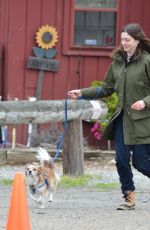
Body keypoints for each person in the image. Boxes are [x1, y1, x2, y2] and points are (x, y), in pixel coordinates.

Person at [68, 23, 150, 210]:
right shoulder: (117, 62)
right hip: (122, 119)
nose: (124, 43)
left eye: (127, 40)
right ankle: (129, 197)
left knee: (142, 163)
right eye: (122, 40)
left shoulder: (147, 61)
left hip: (143, 122)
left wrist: (145, 102)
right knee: (121, 160)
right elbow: (106, 88)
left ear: (137, 41)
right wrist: (82, 92)